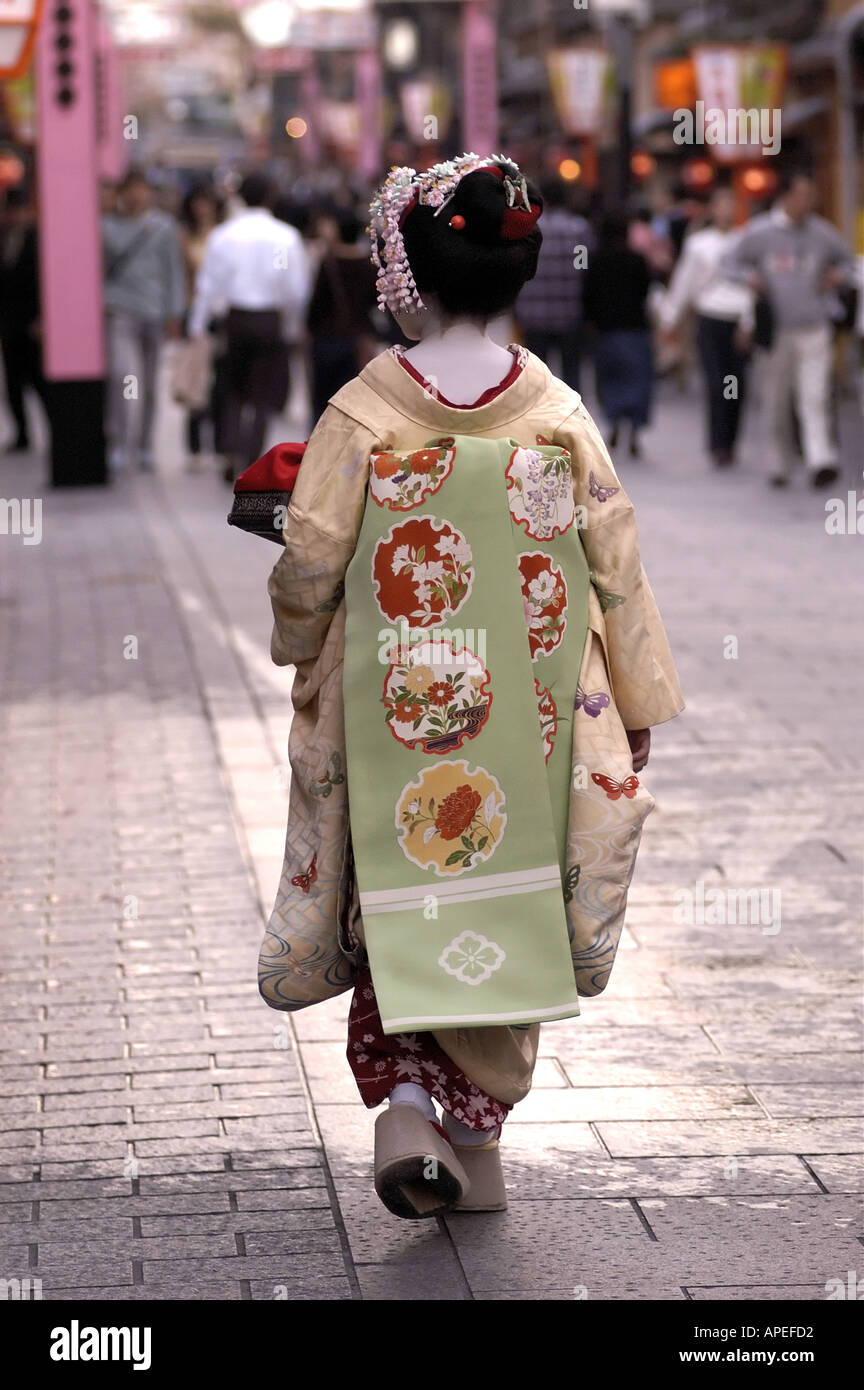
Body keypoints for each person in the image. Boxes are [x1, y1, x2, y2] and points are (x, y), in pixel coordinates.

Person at [256, 155, 684, 1220]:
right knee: (516, 899)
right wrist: (634, 702)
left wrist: (298, 642)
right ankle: (474, 1145)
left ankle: (408, 1107)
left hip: (397, 703)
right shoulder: (556, 409)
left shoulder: (365, 409)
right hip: (537, 710)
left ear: (410, 276)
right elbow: (615, 566)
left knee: (397, 892)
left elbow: (311, 555)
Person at [724, 172, 855, 488]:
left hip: (814, 327)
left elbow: (849, 264)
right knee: (775, 399)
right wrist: (749, 279)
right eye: (801, 195)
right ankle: (778, 462)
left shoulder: (822, 233)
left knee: (815, 396)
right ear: (785, 197)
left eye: (810, 196)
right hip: (775, 331)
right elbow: (728, 264)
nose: (807, 202)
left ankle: (820, 459)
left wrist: (838, 276)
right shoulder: (760, 233)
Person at [188, 172, 310, 482]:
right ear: (270, 198)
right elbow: (296, 290)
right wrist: (293, 328)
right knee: (262, 393)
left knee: (232, 387)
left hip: (235, 319)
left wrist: (198, 326)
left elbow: (208, 285)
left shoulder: (224, 235)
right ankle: (251, 455)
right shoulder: (286, 236)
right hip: (269, 320)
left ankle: (228, 450)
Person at [659, 188, 754, 466]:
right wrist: (670, 318)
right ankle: (717, 444)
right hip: (710, 317)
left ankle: (732, 440)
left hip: (738, 319)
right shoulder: (698, 244)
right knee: (715, 382)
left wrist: (749, 322)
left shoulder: (745, 241)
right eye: (721, 204)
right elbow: (684, 282)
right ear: (712, 209)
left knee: (737, 383)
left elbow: (752, 287)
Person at [102, 168, 186, 472]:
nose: (138, 195)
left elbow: (173, 270)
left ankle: (145, 445)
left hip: (155, 311)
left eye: (143, 189)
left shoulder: (163, 227)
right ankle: (120, 443)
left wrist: (175, 311)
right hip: (119, 310)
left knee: (150, 384)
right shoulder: (106, 226)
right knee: (123, 377)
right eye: (132, 188)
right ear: (123, 191)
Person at [583, 210, 654, 457]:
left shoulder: (596, 260)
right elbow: (647, 291)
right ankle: (634, 430)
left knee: (610, 379)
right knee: (637, 380)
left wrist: (590, 321)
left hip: (606, 331)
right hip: (635, 328)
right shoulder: (638, 261)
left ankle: (613, 422)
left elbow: (588, 295)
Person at [514, 178, 594, 392]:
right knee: (572, 375)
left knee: (536, 377)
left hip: (533, 313)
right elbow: (584, 268)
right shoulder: (579, 230)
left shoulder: (530, 228)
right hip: (570, 312)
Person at [306, 206, 381, 422]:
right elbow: (375, 302)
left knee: (322, 401)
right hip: (357, 340)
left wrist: (308, 331)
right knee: (350, 401)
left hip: (326, 339)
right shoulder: (370, 263)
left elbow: (316, 305)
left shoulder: (329, 263)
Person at [178, 185, 223, 470]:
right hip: (194, 312)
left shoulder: (223, 235)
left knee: (219, 380)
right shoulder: (184, 236)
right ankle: (194, 445)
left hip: (220, 313)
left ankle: (218, 443)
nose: (202, 208)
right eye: (198, 202)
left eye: (206, 202)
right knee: (196, 378)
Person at [0, 187, 42, 453]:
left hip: (32, 320)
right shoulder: (2, 238)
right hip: (8, 320)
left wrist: (42, 317)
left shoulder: (38, 239)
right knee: (12, 381)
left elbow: (42, 283)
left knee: (38, 379)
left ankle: (53, 425)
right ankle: (22, 433)